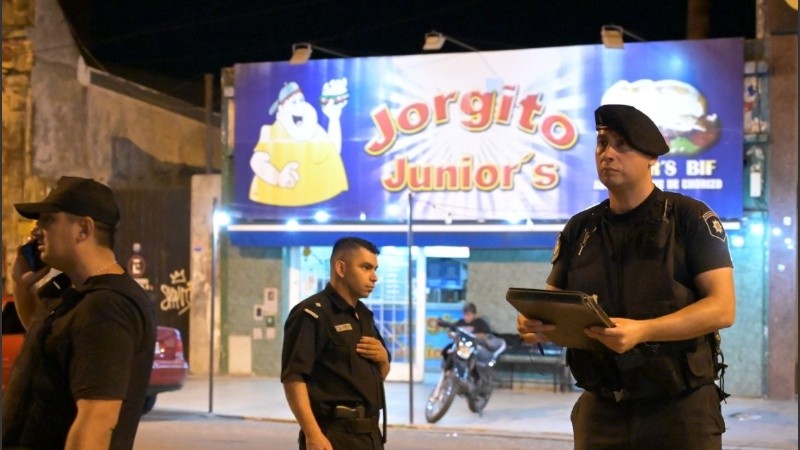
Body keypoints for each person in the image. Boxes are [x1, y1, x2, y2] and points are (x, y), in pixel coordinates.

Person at [517, 104, 736, 449]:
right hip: (602, 411)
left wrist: (643, 331)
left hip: (680, 410)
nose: (608, 154)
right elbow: (553, 306)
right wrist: (536, 326)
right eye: (602, 143)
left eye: (622, 145)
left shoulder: (690, 218)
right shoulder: (580, 228)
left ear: (651, 158)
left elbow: (722, 309)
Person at [2, 176, 157, 450]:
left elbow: (95, 424)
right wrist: (22, 286)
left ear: (83, 229)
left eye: (48, 219)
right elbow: (49, 347)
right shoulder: (71, 292)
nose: (36, 230)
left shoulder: (107, 307)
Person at [281, 236, 391, 450]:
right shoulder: (312, 313)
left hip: (369, 436)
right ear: (341, 268)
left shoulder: (364, 315)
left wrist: (384, 358)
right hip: (333, 435)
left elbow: (380, 375)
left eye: (375, 268)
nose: (374, 277)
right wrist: (313, 434)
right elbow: (293, 378)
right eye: (366, 267)